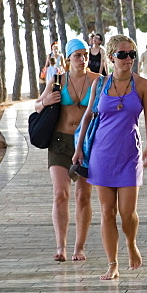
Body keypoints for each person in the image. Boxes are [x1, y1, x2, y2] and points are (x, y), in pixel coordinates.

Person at [73, 34, 147, 280]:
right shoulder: (100, 85)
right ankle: (112, 263)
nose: (128, 58)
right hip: (101, 154)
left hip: (130, 154)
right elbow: (87, 116)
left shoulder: (142, 86)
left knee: (127, 212)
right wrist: (78, 149)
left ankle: (131, 245)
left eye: (132, 54)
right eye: (122, 54)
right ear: (111, 57)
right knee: (107, 211)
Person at [35, 38, 101, 262]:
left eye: (85, 55)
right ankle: (60, 246)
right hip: (60, 142)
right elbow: (37, 105)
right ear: (68, 57)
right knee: (60, 194)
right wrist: (46, 102)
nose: (82, 60)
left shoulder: (98, 81)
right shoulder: (57, 80)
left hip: (87, 143)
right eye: (77, 56)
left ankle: (79, 248)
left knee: (83, 196)